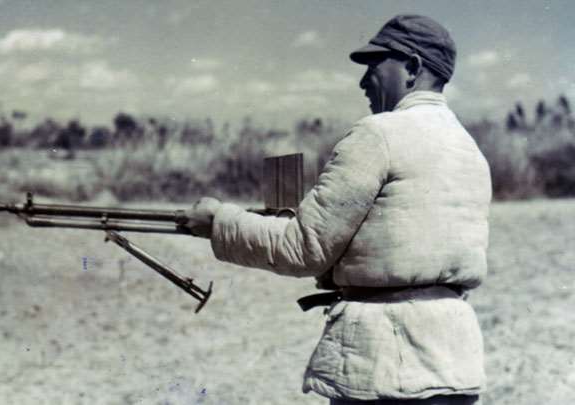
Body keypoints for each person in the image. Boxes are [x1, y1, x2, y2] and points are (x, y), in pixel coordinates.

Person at [184, 14, 491, 405]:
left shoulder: (378, 135)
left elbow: (302, 249)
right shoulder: (469, 149)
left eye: (375, 65)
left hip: (385, 368)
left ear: (412, 68)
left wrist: (219, 222)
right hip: (455, 366)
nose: (364, 81)